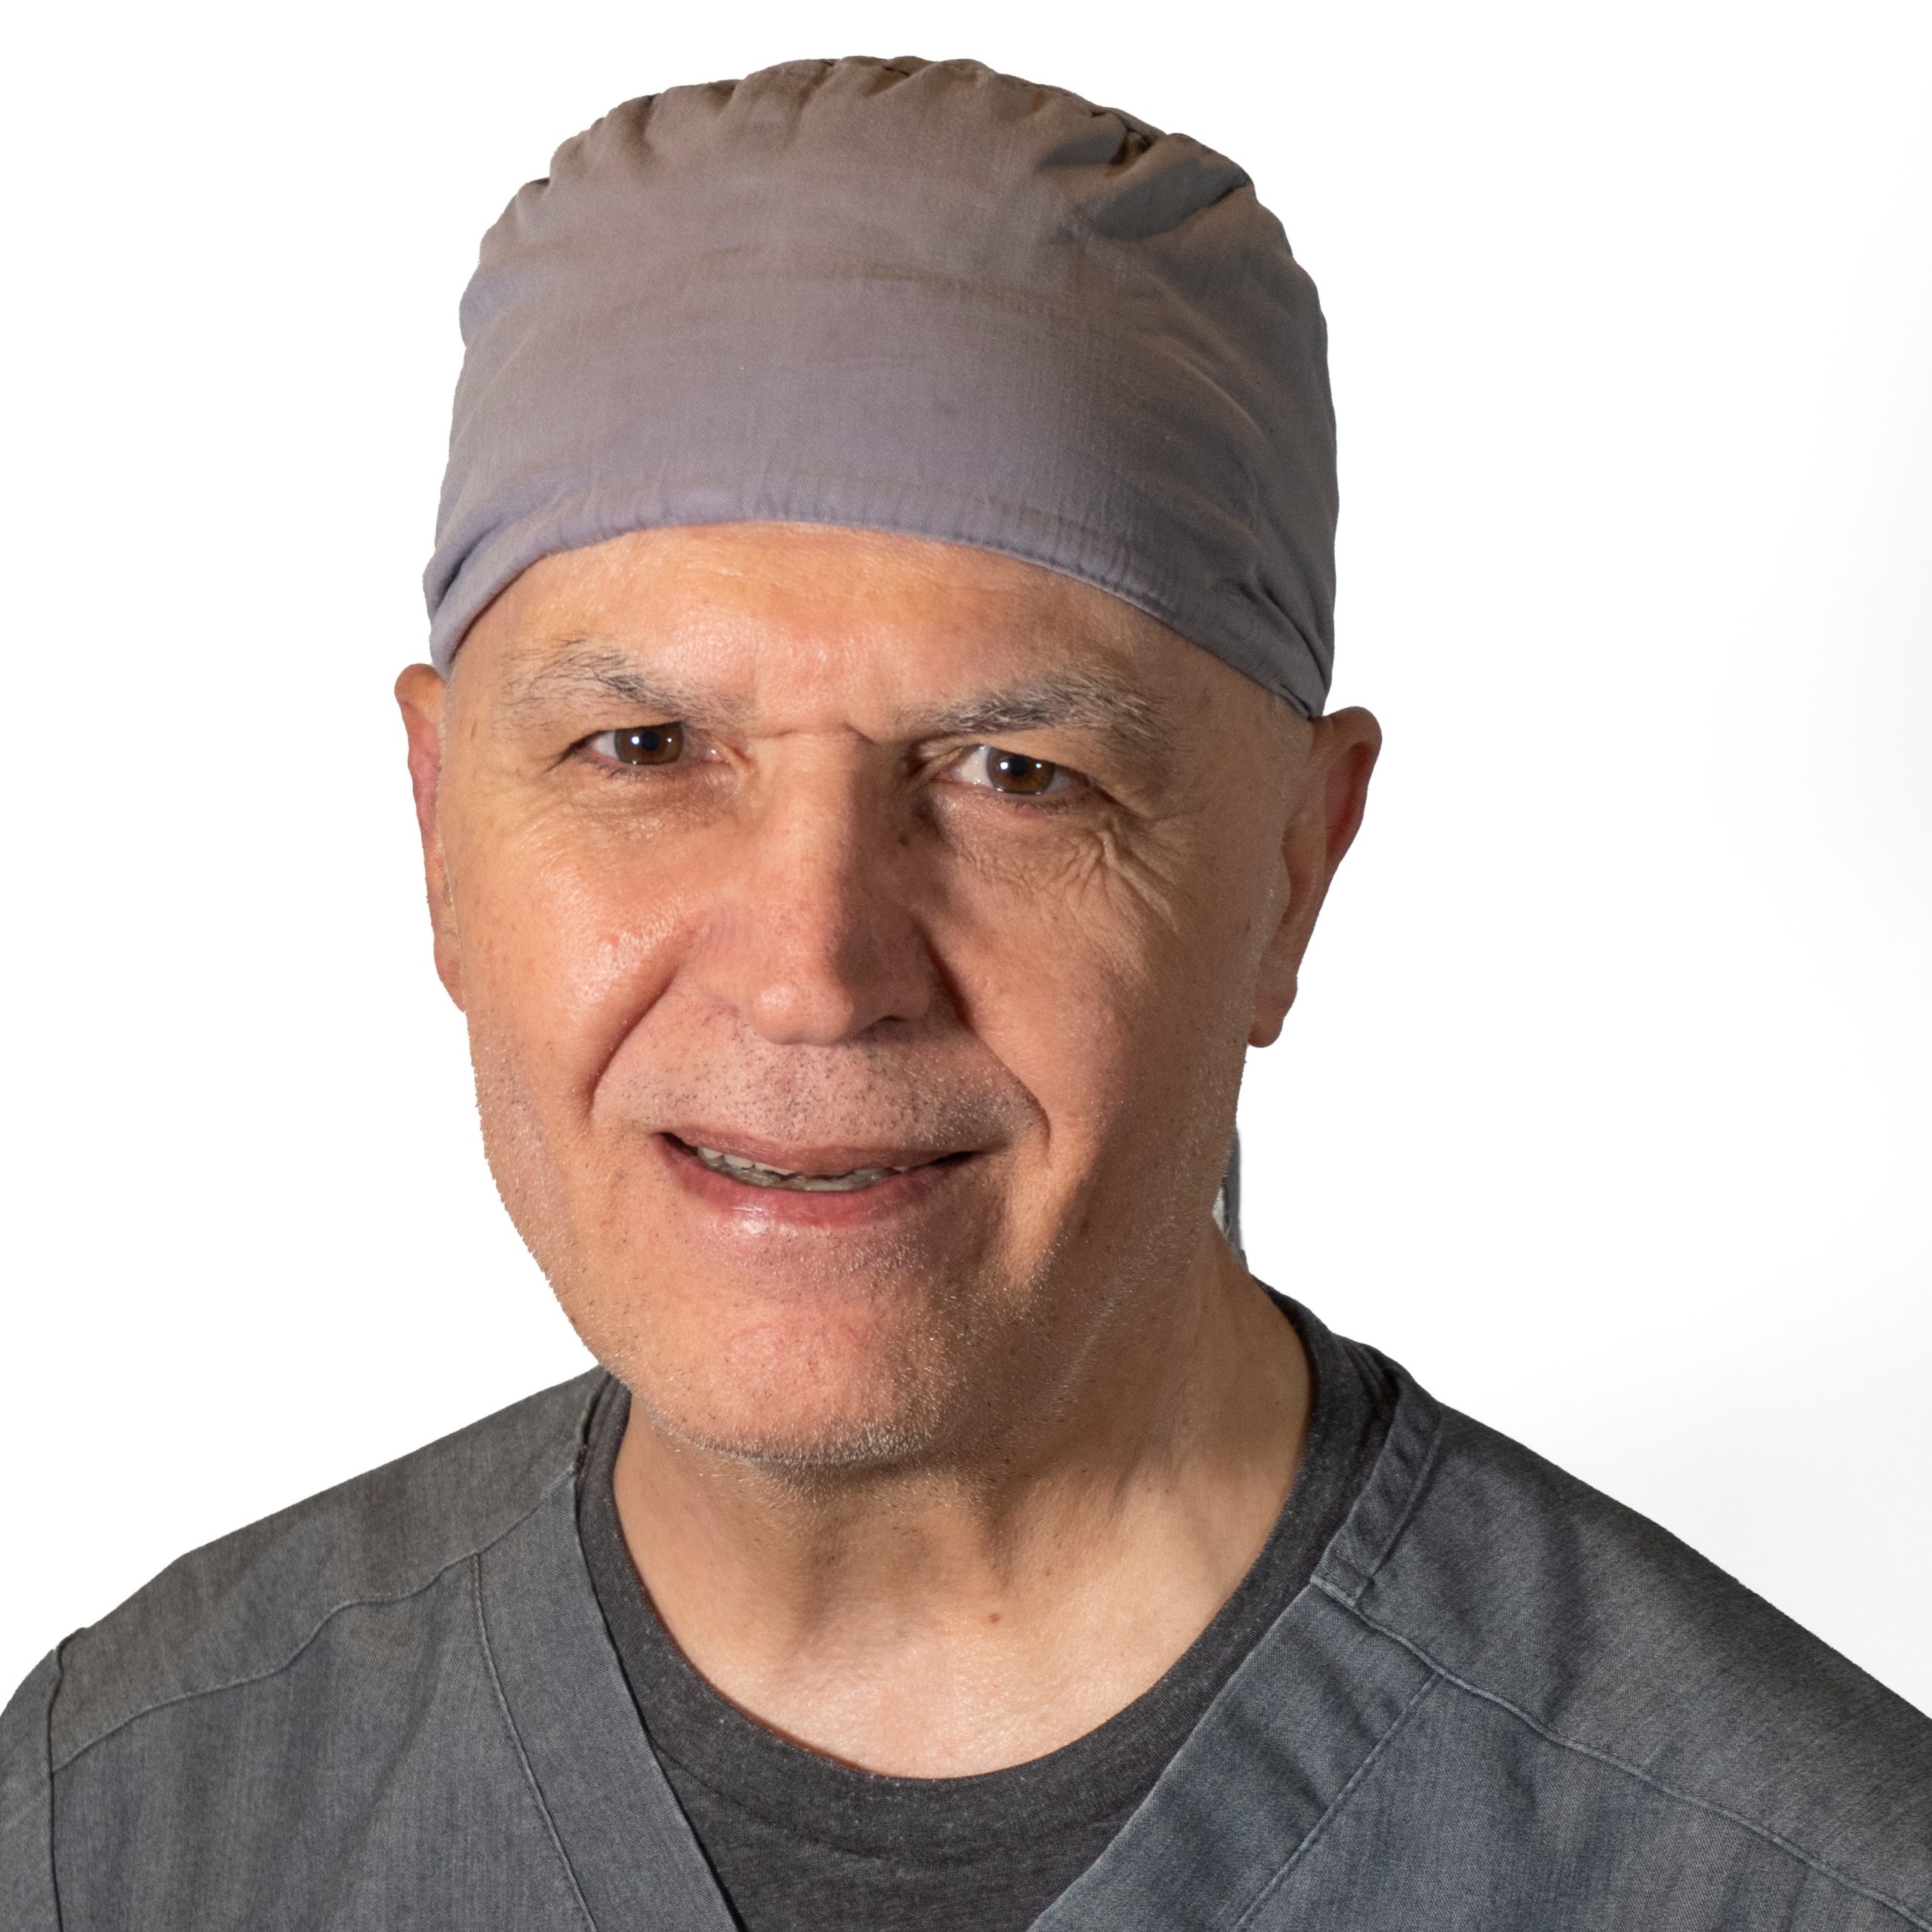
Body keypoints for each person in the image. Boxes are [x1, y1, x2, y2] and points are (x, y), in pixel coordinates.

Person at [3, 55, 1926, 1932]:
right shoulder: (132, 1820)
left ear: (1286, 874)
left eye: (1016, 774)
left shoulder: (1795, 1878)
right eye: (644, 744)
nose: (813, 972)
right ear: (439, 830)